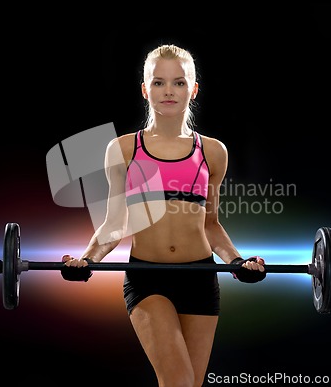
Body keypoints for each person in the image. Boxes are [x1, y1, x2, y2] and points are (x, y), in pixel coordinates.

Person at [61, 44, 266, 387]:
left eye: (178, 82)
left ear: (193, 88)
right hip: (147, 278)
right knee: (178, 382)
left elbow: (210, 224)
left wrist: (237, 261)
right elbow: (116, 222)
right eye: (158, 82)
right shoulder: (124, 149)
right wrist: (87, 259)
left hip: (200, 278)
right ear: (145, 89)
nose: (168, 90)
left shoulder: (213, 152)